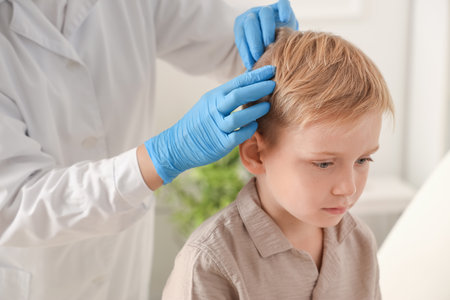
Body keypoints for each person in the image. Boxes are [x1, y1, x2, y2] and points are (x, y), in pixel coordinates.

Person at [0, 0, 297, 299]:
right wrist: (161, 157)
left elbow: (235, 52)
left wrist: (274, 46)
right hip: (33, 277)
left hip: (123, 271)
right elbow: (15, 201)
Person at [162, 27, 395, 299]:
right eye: (323, 164)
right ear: (255, 155)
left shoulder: (358, 242)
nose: (348, 188)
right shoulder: (211, 262)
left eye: (362, 159)